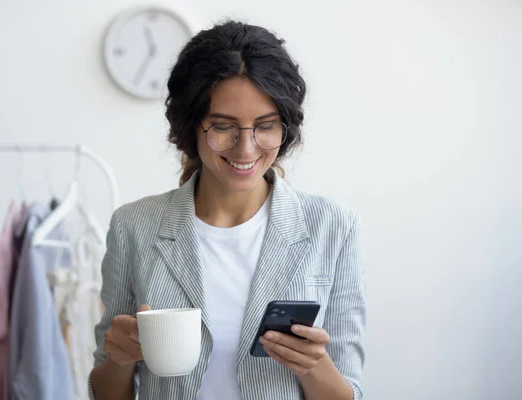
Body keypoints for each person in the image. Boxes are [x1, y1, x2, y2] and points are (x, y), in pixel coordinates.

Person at [89, 20, 365, 400]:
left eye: (265, 126)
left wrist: (314, 365)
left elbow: (350, 393)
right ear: (190, 127)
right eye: (223, 127)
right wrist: (118, 359)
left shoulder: (333, 227)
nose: (246, 149)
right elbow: (105, 393)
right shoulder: (133, 226)